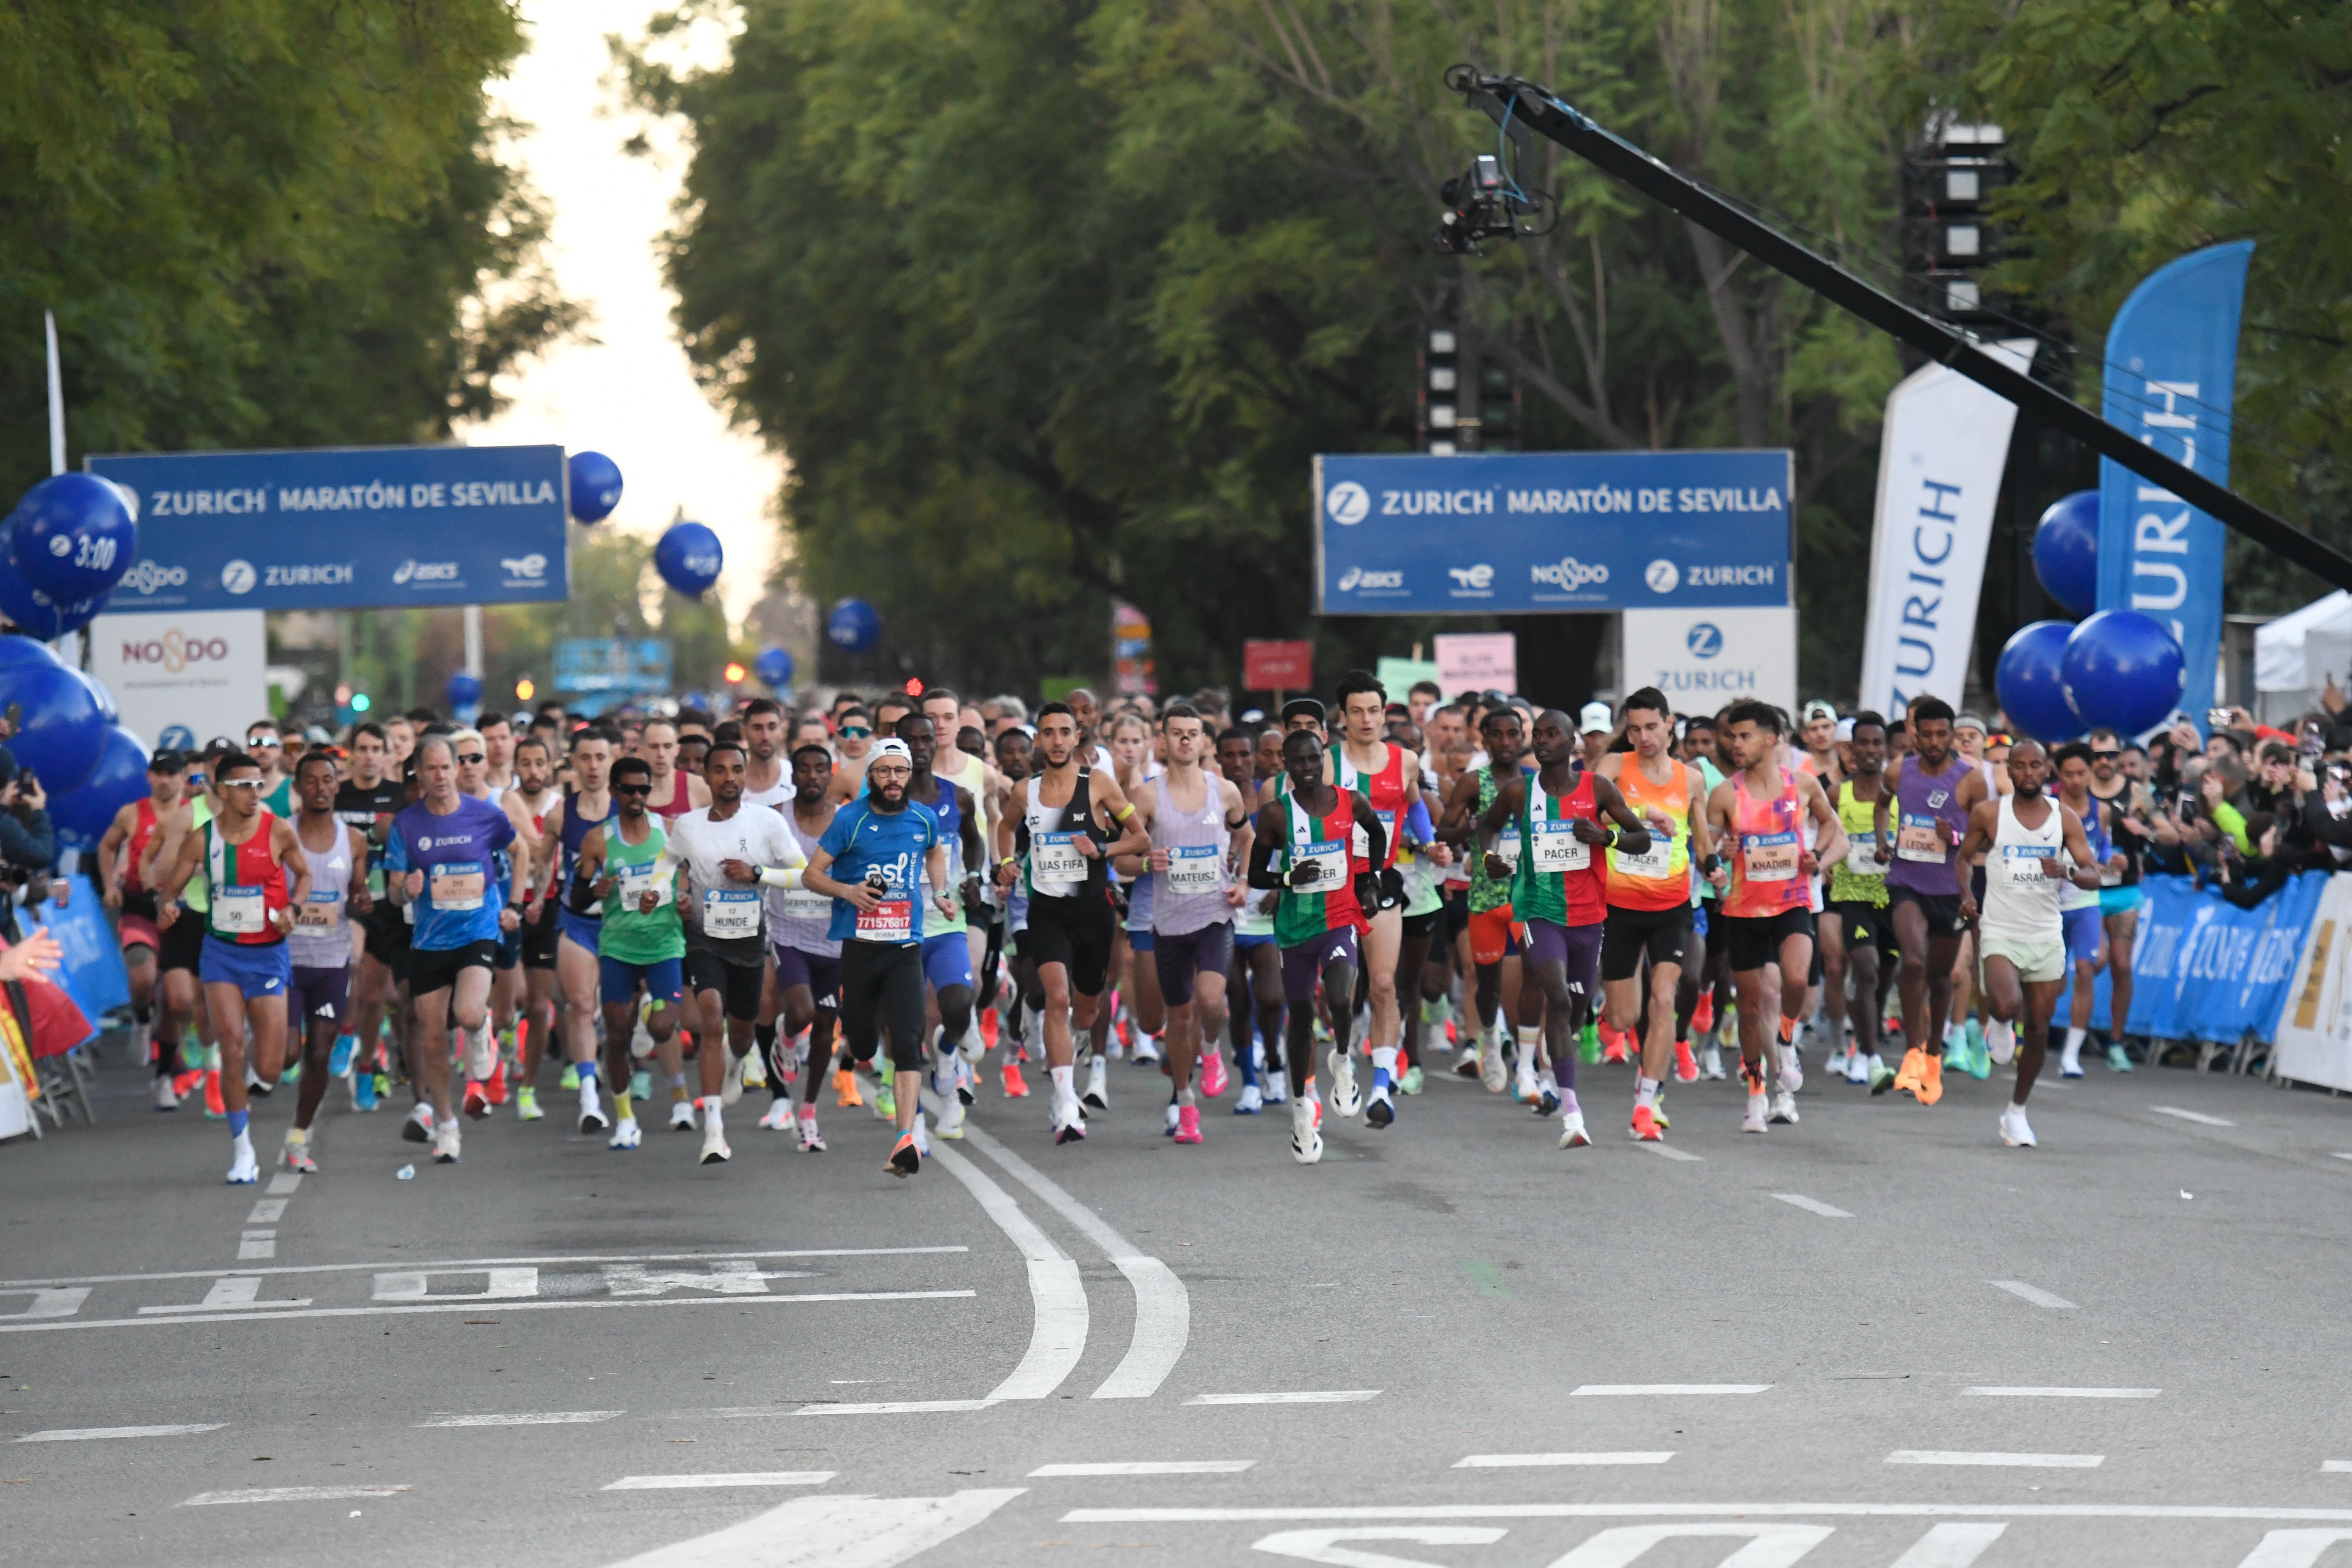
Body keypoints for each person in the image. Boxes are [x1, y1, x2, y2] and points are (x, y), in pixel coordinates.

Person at [1486, 708, 1653, 1149]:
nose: (1542, 741)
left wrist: (1606, 837)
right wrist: (1489, 857)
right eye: (1537, 734)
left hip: (1589, 918)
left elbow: (1642, 839)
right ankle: (1572, 1114)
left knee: (1575, 1008)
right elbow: (1488, 827)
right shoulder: (1518, 792)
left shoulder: (1597, 788)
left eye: (1552, 734)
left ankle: (1560, 1045)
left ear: (1572, 741)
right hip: (1537, 911)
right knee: (1557, 998)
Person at [154, 751, 313, 1183]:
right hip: (221, 954)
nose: (254, 793)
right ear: (222, 790)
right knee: (231, 1048)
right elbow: (170, 889)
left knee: (270, 1068)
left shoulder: (278, 830)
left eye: (258, 785)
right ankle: (243, 1151)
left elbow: (305, 876)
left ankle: (251, 1067)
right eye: (244, 786)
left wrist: (294, 909)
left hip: (268, 954)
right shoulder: (201, 840)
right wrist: (167, 907)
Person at [992, 702, 1147, 1144]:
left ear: (1077, 737)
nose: (1057, 741)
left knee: (1086, 1010)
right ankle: (1065, 1104)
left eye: (1065, 732)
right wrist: (1006, 861)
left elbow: (1140, 837)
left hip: (1093, 913)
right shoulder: (1026, 790)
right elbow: (1006, 828)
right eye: (1049, 733)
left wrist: (1102, 849)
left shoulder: (1098, 783)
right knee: (1056, 999)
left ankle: (1075, 1047)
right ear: (1038, 740)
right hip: (1047, 912)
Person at [800, 738, 955, 1176]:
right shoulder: (850, 819)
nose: (893, 779)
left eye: (900, 771)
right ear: (870, 776)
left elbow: (934, 851)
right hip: (860, 948)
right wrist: (848, 891)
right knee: (865, 1045)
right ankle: (856, 1045)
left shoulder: (923, 818)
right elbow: (811, 874)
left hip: (905, 946)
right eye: (884, 771)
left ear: (909, 775)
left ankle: (905, 1139)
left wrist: (939, 892)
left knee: (908, 1042)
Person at [1704, 700, 1843, 1132]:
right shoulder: (1725, 794)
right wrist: (1719, 855)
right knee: (1749, 1008)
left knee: (1796, 980)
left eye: (1745, 736)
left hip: (1793, 902)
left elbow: (1831, 827)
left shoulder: (1802, 785)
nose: (1736, 744)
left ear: (1771, 739)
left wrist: (1816, 855)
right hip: (1744, 910)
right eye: (1732, 737)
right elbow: (1706, 850)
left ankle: (1786, 1041)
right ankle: (1756, 1094)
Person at [1955, 739, 2103, 1147]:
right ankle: (2000, 1023)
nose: (2028, 773)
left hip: (2045, 933)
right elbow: (1964, 858)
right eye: (2019, 766)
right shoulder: (1990, 814)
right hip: (2000, 928)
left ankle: (2017, 1112)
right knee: (2006, 1004)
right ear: (2010, 772)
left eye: (2035, 766)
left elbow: (2094, 875)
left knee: (2038, 1027)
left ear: (2046, 770)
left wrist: (2066, 871)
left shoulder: (2064, 818)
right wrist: (1966, 895)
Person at [1247, 728, 1385, 1162]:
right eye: (1298, 761)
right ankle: (1301, 1113)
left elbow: (1377, 835)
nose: (1307, 768)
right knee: (1301, 1018)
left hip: (1340, 918)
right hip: (1295, 930)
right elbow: (1256, 875)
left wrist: (1371, 880)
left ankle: (1342, 1061)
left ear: (1324, 759)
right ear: (1286, 765)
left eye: (1313, 759)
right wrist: (1289, 878)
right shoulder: (1276, 814)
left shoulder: (1350, 802)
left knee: (1341, 997)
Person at [385, 735, 523, 1164]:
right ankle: (447, 1124)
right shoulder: (406, 825)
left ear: (458, 768)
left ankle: (481, 1033)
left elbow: (521, 852)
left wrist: (516, 904)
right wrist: (406, 889)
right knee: (432, 1039)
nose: (441, 776)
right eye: (432, 769)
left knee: (468, 1012)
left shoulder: (485, 815)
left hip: (478, 930)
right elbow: (392, 891)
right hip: (429, 939)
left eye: (447, 766)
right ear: (419, 774)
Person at [672, 738, 805, 1164]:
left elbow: (803, 874)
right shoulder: (688, 826)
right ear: (707, 776)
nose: (728, 778)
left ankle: (735, 1060)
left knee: (743, 1034)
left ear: (745, 775)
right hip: (704, 939)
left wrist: (759, 873)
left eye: (736, 769)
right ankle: (714, 1132)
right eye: (720, 770)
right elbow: (665, 865)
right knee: (711, 1018)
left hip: (750, 942)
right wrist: (671, 894)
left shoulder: (767, 822)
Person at [1124, 701, 1252, 1143]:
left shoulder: (1226, 791)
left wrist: (1244, 880)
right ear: (1163, 741)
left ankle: (1212, 1049)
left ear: (1203, 741)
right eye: (1176, 732)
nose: (1185, 740)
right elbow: (1122, 861)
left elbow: (1247, 836)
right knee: (1178, 1020)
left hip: (1214, 914)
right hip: (1168, 923)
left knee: (1211, 1000)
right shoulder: (1146, 796)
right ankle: (1185, 1102)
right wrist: (1147, 863)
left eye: (1192, 733)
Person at [1597, 689, 1713, 1141]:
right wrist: (1643, 814)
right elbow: (1587, 815)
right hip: (1620, 907)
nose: (1643, 737)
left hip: (1671, 906)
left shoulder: (1692, 779)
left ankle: (1647, 1102)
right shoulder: (1614, 767)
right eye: (1634, 729)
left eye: (1651, 727)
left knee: (1664, 999)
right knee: (1624, 1018)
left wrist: (1715, 866)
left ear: (1669, 724)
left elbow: (1701, 841)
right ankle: (1608, 1017)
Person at [1321, 671, 1428, 1119]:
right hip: (1334, 883)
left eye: (1374, 711)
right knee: (1340, 993)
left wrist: (1430, 842)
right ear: (1343, 718)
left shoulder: (1405, 761)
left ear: (1385, 715)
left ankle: (1382, 1086)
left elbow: (1415, 803)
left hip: (1381, 880)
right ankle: (1343, 1061)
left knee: (1384, 983)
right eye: (1357, 711)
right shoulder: (1328, 764)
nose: (1367, 719)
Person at [1873, 696, 1988, 1106]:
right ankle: (1912, 1052)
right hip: (1906, 882)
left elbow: (1985, 839)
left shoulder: (1971, 780)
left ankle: (1934, 1054)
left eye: (1943, 734)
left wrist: (1954, 837)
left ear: (1952, 735)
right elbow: (1881, 805)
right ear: (1915, 735)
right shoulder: (1898, 771)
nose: (1935, 742)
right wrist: (1883, 841)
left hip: (1950, 890)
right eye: (1928, 734)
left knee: (1940, 977)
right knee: (1913, 960)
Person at [572, 754, 686, 1152]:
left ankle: (649, 1014)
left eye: (644, 790)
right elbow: (576, 897)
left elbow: (689, 876)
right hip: (619, 948)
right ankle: (625, 1119)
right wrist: (595, 890)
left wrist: (686, 899)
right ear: (614, 791)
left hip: (664, 944)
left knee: (663, 1028)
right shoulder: (598, 840)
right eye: (629, 790)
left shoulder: (669, 832)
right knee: (616, 1033)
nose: (637, 797)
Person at [281, 750, 372, 1171]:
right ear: (298, 788)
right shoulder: (281, 834)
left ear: (338, 785)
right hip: (285, 959)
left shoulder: (353, 840)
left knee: (320, 1050)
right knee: (286, 1056)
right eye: (311, 781)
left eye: (328, 780)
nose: (320, 788)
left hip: (332, 960)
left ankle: (300, 1135)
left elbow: (357, 892)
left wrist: (363, 900)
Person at [898, 713, 984, 1134]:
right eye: (910, 740)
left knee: (958, 1006)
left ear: (937, 744)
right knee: (908, 1026)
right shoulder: (884, 801)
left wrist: (974, 877)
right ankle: (914, 1120)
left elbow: (974, 840)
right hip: (899, 929)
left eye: (926, 739)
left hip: (947, 923)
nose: (919, 747)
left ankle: (948, 1050)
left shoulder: (959, 797)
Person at [1437, 705, 1530, 1092]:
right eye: (1498, 735)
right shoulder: (1473, 783)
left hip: (1529, 899)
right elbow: (1444, 831)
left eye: (1513, 734)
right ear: (1486, 740)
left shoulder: (1536, 782)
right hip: (1486, 899)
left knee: (1534, 980)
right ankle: (1490, 1039)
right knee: (1488, 986)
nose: (1506, 742)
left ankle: (1530, 1066)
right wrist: (1475, 826)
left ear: (1522, 737)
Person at [532, 726, 618, 1134]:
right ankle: (589, 1098)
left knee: (622, 1011)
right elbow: (542, 862)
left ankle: (629, 1064)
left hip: (623, 923)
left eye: (601, 757)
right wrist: (534, 899)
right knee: (581, 1005)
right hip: (577, 921)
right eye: (586, 758)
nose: (594, 766)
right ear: (574, 763)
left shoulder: (628, 810)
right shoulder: (560, 815)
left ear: (612, 761)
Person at [97, 749, 188, 1110]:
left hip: (181, 915)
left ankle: (164, 1077)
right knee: (142, 978)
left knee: (176, 1002)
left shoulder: (195, 814)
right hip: (140, 910)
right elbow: (107, 846)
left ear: (182, 777)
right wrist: (109, 885)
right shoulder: (132, 813)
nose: (166, 780)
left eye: (172, 773)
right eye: (159, 773)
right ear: (149, 777)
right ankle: (140, 1018)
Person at [773, 741, 849, 1147]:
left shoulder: (846, 820)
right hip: (787, 934)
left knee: (824, 1027)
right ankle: (786, 1040)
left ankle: (808, 1112)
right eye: (804, 769)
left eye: (821, 769)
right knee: (801, 1012)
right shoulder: (776, 818)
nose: (813, 776)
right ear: (793, 775)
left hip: (833, 941)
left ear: (830, 774)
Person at [1821, 712, 1897, 1087]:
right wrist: (1823, 861)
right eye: (1862, 743)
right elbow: (1820, 831)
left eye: (1876, 743)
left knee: (1883, 976)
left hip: (1896, 898)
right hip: (1854, 897)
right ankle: (1869, 1055)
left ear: (1885, 749)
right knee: (1864, 967)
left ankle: (1870, 1034)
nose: (1870, 750)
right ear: (1851, 750)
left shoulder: (1900, 793)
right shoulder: (1838, 794)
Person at [1219, 724, 1285, 1113]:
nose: (1239, 762)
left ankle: (1273, 1061)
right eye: (1230, 755)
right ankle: (1248, 1082)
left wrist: (1280, 888)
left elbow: (1293, 846)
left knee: (1272, 998)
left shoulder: (1271, 799)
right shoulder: (1210, 796)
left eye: (1245, 754)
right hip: (1222, 914)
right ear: (1218, 758)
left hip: (1264, 912)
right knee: (1238, 1001)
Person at [2050, 742, 2125, 1079]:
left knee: (2086, 969)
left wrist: (2113, 861)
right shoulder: (2047, 807)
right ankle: (2026, 1035)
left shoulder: (2102, 811)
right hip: (2051, 906)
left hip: (2085, 904)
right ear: (2059, 774)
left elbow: (2101, 853)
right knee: (2051, 981)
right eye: (2069, 774)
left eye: (2082, 773)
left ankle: (2071, 1055)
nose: (2076, 780)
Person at [506, 734, 564, 1121]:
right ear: (516, 767)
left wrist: (541, 898)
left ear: (550, 766)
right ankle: (506, 1036)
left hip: (546, 907)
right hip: (508, 906)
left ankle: (528, 1088)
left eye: (540, 763)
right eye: (525, 763)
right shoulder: (505, 804)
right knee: (516, 998)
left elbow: (551, 858)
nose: (533, 771)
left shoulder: (558, 806)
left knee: (539, 1005)